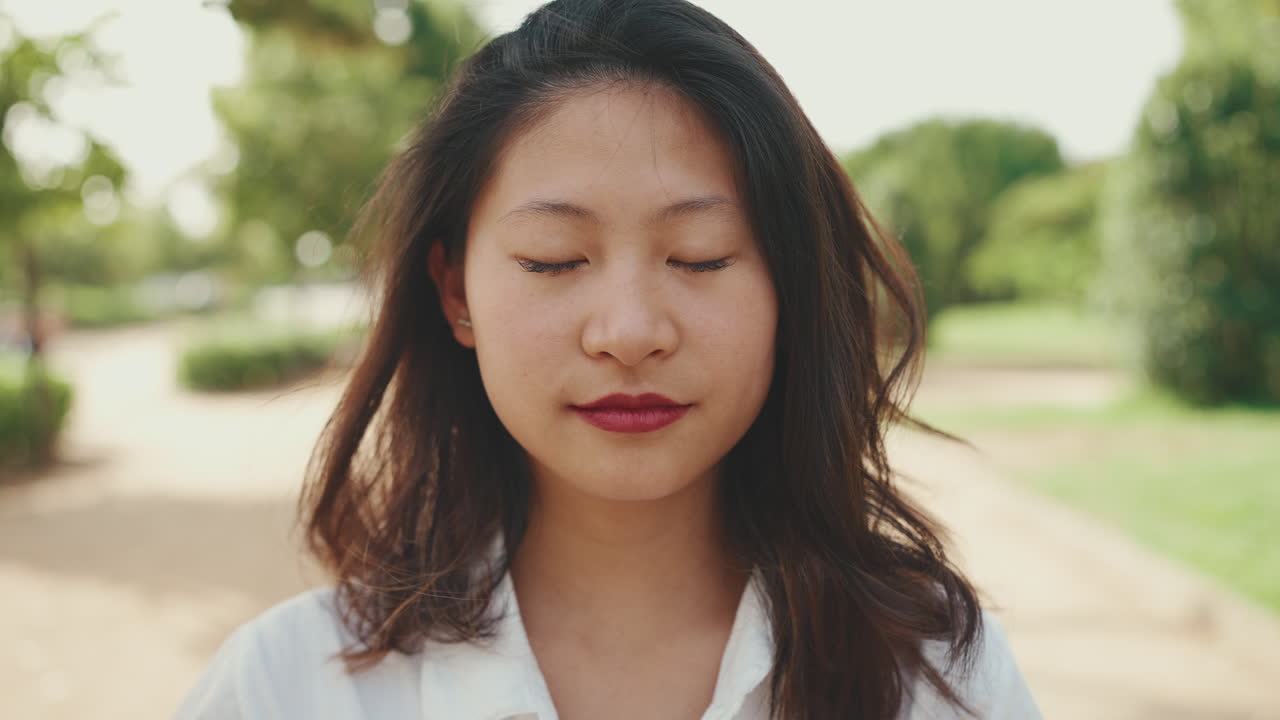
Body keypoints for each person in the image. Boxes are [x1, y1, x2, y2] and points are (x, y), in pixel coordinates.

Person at [175, 0, 1043, 717]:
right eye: (553, 260)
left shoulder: (939, 680)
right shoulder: (285, 688)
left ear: (792, 287)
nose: (629, 332)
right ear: (455, 293)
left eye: (701, 256)